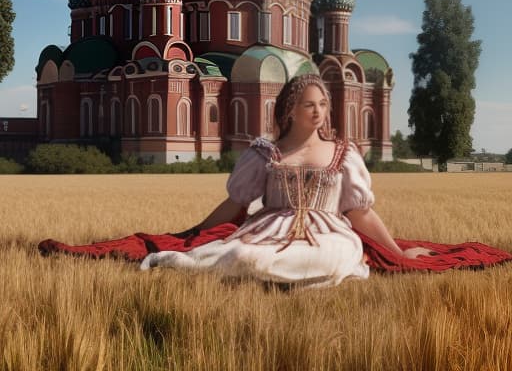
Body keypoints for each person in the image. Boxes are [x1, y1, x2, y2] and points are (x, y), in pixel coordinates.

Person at [140, 73, 431, 288]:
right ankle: (184, 262)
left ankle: (268, 278)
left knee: (332, 256)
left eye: (323, 104)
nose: (318, 111)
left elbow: (361, 213)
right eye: (309, 105)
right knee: (243, 254)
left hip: (329, 233)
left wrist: (398, 253)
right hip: (270, 228)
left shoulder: (343, 153)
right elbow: (236, 202)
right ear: (291, 108)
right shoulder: (266, 153)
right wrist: (195, 231)